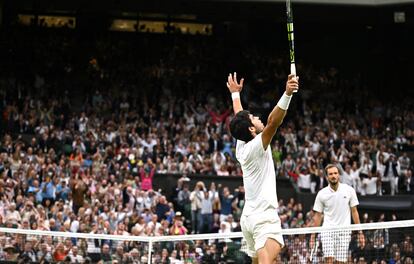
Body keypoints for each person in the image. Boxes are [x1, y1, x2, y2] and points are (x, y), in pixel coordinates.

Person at [228, 72, 299, 264]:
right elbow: (273, 122)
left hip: (248, 219)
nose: (256, 117)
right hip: (263, 217)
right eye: (253, 117)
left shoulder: (241, 144)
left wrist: (235, 95)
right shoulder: (256, 146)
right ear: (251, 129)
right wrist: (287, 94)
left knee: (258, 261)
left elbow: (239, 116)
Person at [311, 164, 361, 264]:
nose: (333, 176)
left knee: (340, 262)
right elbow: (317, 216)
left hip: (344, 232)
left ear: (339, 175)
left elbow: (354, 211)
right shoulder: (322, 194)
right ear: (327, 177)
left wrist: (360, 232)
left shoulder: (349, 190)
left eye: (335, 173)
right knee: (329, 260)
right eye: (330, 174)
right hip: (327, 231)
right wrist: (313, 236)